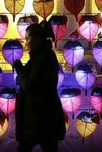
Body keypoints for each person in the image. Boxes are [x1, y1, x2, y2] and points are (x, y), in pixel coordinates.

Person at [13, 20, 66, 152]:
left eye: (27, 39)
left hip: (40, 118)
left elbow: (31, 85)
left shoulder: (43, 58)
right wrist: (21, 70)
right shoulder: (39, 57)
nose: (26, 43)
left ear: (36, 40)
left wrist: (20, 75)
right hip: (38, 117)